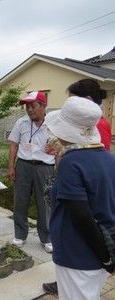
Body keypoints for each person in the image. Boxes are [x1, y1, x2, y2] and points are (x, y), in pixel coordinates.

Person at [42, 78, 111, 296]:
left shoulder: (72, 163)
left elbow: (81, 215)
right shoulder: (107, 158)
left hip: (77, 254)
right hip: (99, 252)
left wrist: (107, 258)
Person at [7, 91, 55, 253]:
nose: (29, 109)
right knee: (20, 202)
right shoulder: (21, 123)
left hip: (45, 168)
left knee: (45, 204)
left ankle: (47, 237)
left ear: (43, 106)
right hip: (24, 166)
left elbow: (62, 146)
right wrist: (11, 166)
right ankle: (20, 234)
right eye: (27, 106)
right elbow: (13, 145)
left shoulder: (53, 124)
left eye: (33, 106)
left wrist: (56, 150)